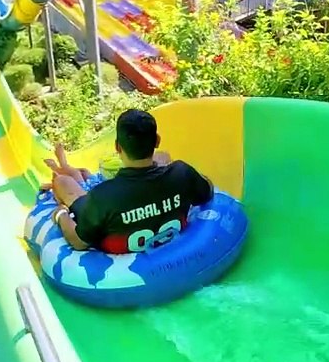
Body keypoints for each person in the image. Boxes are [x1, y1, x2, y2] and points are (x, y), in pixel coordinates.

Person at [43, 109, 214, 254]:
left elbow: (79, 242)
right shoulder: (181, 173)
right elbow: (208, 190)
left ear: (118, 147)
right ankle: (68, 167)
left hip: (108, 209)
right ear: (157, 141)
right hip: (151, 201)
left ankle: (63, 169)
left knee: (63, 182)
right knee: (164, 157)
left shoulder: (102, 196)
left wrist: (61, 215)